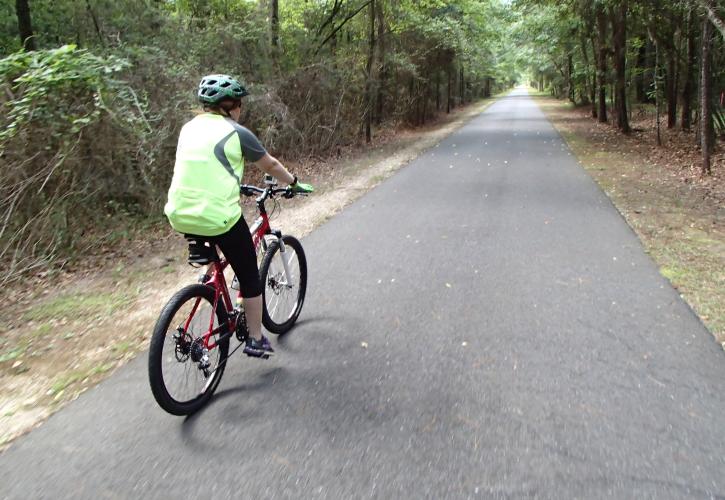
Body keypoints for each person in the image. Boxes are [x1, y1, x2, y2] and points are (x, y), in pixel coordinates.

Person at [164, 74, 313, 358]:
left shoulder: (188, 128)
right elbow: (269, 163)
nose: (240, 109)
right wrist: (293, 182)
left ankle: (208, 280)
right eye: (239, 104)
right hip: (216, 217)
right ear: (230, 105)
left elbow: (203, 165)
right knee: (249, 275)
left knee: (216, 242)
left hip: (179, 213)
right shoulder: (236, 132)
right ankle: (256, 339)